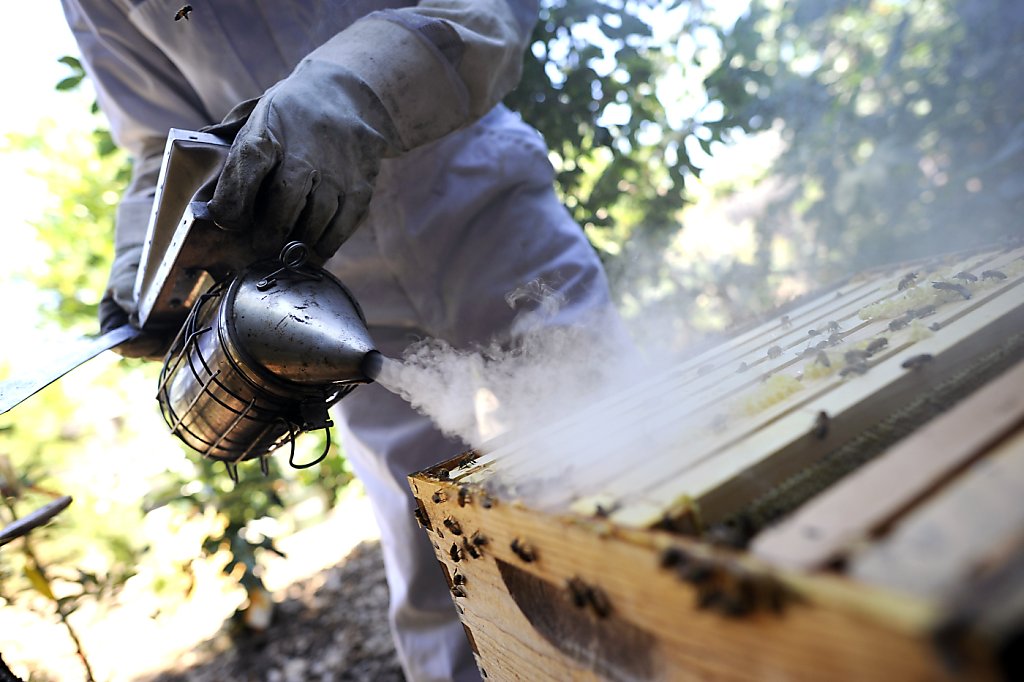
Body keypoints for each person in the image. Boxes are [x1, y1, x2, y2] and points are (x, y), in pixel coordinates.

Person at [62, 2, 618, 680]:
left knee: (618, 465)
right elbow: (162, 141)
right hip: (319, 292)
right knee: (440, 569)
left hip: (485, 207)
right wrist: (145, 261)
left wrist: (357, 85)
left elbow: (486, 10)